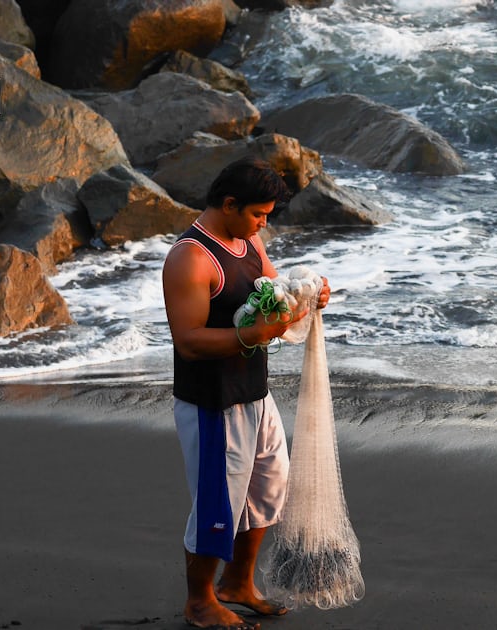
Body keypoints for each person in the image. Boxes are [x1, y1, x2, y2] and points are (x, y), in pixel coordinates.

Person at [162, 157, 330, 630]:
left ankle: (237, 585)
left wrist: (308, 297)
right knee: (219, 503)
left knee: (268, 489)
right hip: (212, 403)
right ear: (229, 204)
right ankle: (199, 602)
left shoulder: (248, 239)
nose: (264, 223)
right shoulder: (191, 257)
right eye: (258, 214)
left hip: (254, 393)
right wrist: (251, 336)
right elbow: (189, 341)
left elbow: (273, 291)